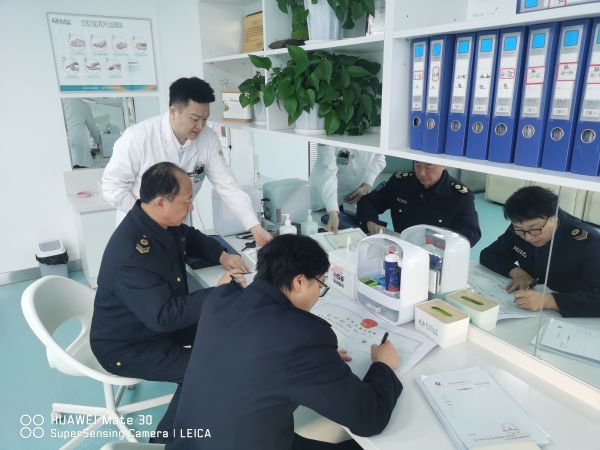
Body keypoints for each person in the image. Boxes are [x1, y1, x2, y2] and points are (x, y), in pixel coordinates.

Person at [168, 234, 402, 450]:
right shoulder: (304, 337)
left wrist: (318, 362)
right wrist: (383, 365)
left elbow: (257, 351)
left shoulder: (220, 299)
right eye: (320, 284)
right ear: (299, 281)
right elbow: (370, 418)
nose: (318, 293)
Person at [90, 162, 246, 442]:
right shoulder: (130, 255)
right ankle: (164, 442)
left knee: (225, 325)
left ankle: (226, 399)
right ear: (161, 202)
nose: (191, 207)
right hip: (128, 346)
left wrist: (221, 255)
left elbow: (190, 237)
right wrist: (217, 291)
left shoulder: (158, 222)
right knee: (201, 372)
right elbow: (164, 316)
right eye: (186, 201)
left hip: (155, 323)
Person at [101, 76, 271, 246]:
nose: (200, 126)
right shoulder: (138, 137)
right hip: (139, 229)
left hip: (178, 228)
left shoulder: (208, 139)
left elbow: (228, 186)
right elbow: (112, 187)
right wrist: (149, 219)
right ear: (174, 112)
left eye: (205, 119)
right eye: (195, 119)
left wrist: (254, 226)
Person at [480, 186, 600, 317]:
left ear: (554, 216)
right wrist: (517, 272)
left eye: (534, 229)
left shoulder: (588, 242)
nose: (528, 237)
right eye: (519, 230)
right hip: (532, 307)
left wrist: (549, 301)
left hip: (573, 314)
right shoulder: (523, 226)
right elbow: (489, 254)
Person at [356, 162, 481, 247]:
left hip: (438, 254)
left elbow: (472, 232)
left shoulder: (459, 195)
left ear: (444, 164)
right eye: (417, 165)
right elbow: (369, 201)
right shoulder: (401, 183)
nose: (422, 173)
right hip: (402, 249)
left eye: (429, 166)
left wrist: (441, 239)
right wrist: (370, 220)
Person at [309, 145, 386, 232]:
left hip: (350, 203)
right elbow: (327, 174)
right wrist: (333, 211)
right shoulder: (329, 142)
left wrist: (367, 184)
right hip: (320, 202)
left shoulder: (375, 139)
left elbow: (379, 157)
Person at [62, 98, 101, 169]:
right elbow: (92, 128)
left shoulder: (60, 103)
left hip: (64, 145)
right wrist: (99, 143)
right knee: (81, 171)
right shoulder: (84, 105)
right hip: (80, 145)